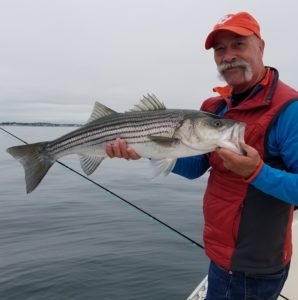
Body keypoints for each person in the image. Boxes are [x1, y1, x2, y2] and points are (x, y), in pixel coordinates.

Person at [106, 12, 298, 300]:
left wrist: (257, 171)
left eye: (238, 44)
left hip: (254, 267)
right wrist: (146, 149)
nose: (228, 56)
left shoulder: (289, 109)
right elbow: (195, 166)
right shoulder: (216, 107)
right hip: (220, 254)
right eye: (220, 49)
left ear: (261, 47)